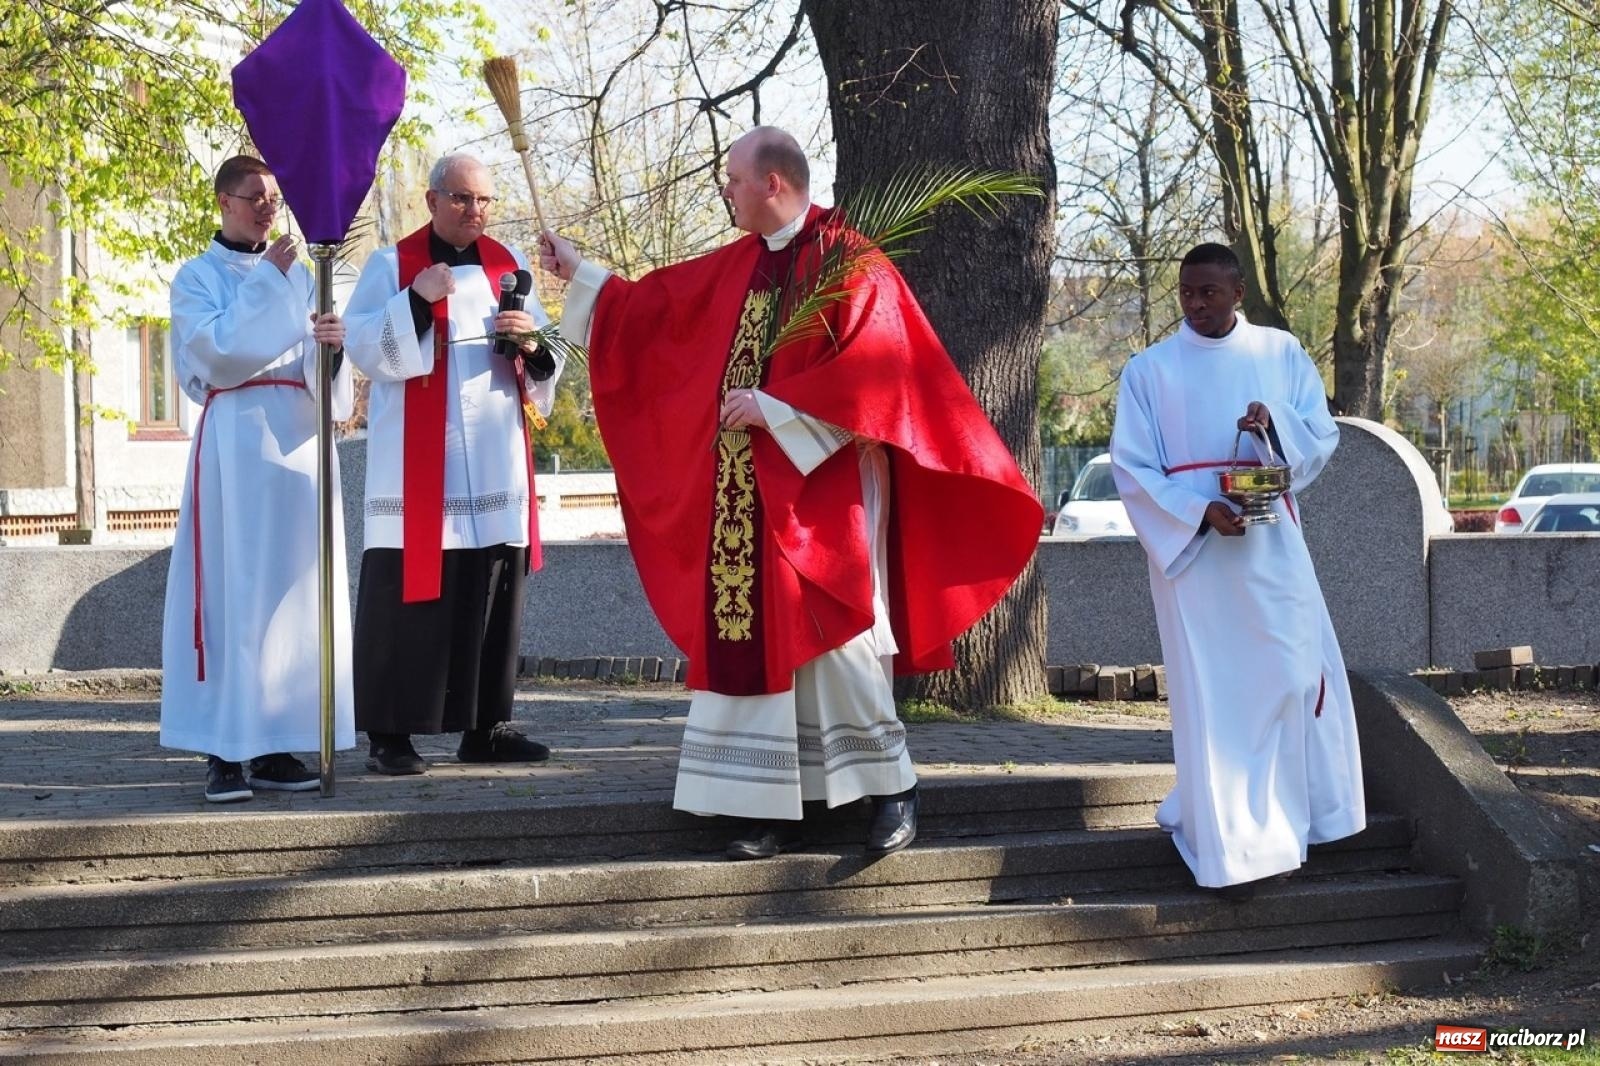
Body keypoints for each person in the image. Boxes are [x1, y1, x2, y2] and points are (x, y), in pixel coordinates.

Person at [539, 127, 1041, 859]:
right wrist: (583, 274)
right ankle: (764, 803)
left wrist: (776, 408)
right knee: (758, 634)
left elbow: (881, 378)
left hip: (823, 489)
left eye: (733, 179)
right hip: (745, 496)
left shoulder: (851, 263)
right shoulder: (741, 263)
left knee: (836, 643)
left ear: (773, 182)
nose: (725, 190)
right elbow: (660, 315)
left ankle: (892, 789)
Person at [1109, 242, 1366, 899]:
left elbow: (1320, 433)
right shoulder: (1149, 370)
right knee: (1216, 694)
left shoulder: (1279, 353)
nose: (1196, 305)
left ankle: (1291, 820)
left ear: (1238, 292)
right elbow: (1132, 468)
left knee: (1289, 673)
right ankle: (1237, 847)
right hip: (1196, 555)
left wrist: (1271, 423)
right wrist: (1198, 513)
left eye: (1209, 293)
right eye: (1187, 293)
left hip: (1268, 538)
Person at [342, 153, 563, 775]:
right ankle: (390, 734)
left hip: (493, 458)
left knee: (490, 588)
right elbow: (362, 347)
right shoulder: (393, 264)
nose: (476, 212)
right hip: (418, 461)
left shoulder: (508, 266)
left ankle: (486, 727)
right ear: (433, 200)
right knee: (406, 596)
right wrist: (414, 300)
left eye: (486, 201)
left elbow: (549, 358)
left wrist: (533, 345)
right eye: (463, 199)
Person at [160, 154, 355, 803]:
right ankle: (223, 752)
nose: (268, 207)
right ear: (222, 202)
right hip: (237, 444)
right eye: (254, 197)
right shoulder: (197, 278)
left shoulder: (299, 277)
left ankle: (276, 743)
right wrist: (270, 284)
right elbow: (218, 356)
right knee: (233, 595)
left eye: (274, 196)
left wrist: (331, 347)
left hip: (298, 444)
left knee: (293, 601)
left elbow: (320, 373)